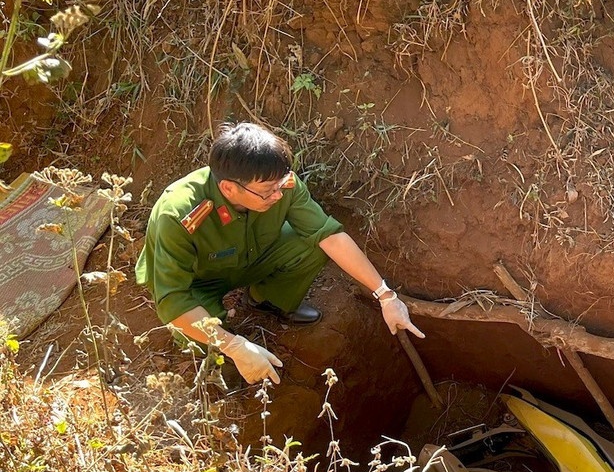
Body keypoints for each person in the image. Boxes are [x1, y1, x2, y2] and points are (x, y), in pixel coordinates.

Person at [135, 122, 423, 385]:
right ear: (229, 188)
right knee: (206, 344)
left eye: (280, 185)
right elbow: (174, 300)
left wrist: (386, 296)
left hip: (251, 259)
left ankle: (266, 300)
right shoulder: (179, 214)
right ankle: (224, 353)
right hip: (197, 283)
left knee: (311, 243)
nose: (278, 195)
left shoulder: (280, 184)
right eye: (267, 191)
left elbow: (329, 236)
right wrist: (234, 346)